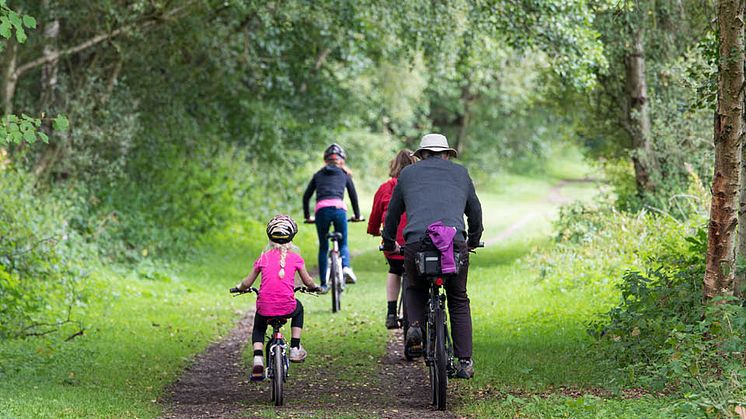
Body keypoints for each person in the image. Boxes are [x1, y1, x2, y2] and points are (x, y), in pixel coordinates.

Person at [382, 134, 483, 379]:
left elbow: (393, 214)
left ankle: (415, 326)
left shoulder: (406, 175)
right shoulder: (460, 173)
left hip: (417, 242)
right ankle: (464, 361)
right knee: (458, 298)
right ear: (447, 154)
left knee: (414, 287)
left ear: (422, 154)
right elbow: (475, 210)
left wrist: (388, 243)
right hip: (454, 243)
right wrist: (471, 240)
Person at [233, 215, 321, 381]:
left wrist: (239, 288)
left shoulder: (263, 258)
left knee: (259, 326)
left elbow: (247, 282)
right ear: (291, 238)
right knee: (299, 308)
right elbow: (308, 281)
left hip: (265, 307)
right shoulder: (296, 259)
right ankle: (295, 347)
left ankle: (258, 358)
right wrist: (314, 287)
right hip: (288, 307)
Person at [303, 143, 363, 292]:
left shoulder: (318, 174)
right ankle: (346, 268)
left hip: (321, 210)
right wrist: (356, 215)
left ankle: (323, 285)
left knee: (324, 246)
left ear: (325, 160)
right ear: (341, 160)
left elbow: (306, 197)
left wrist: (308, 216)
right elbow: (353, 197)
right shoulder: (345, 174)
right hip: (339, 209)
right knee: (343, 243)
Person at [367, 149, 416, 329]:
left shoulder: (386, 187)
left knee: (395, 270)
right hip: (416, 242)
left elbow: (375, 216)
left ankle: (391, 312)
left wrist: (373, 230)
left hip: (392, 242)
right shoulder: (419, 186)